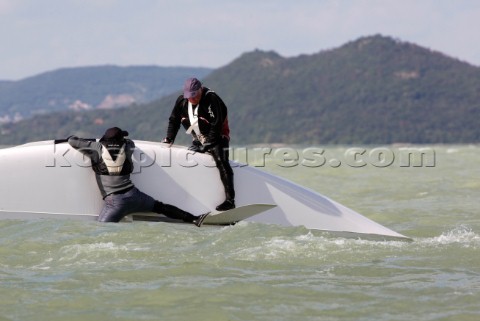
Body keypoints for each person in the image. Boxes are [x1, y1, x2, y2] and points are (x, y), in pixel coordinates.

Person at [68, 126, 209, 226]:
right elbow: (131, 142)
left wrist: (90, 140)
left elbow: (72, 141)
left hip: (114, 204)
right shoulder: (127, 147)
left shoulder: (96, 148)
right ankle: (194, 219)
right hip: (135, 196)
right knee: (161, 208)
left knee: (102, 232)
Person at [162, 78, 235, 211]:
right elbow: (174, 120)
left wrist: (208, 144)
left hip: (218, 136)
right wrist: (169, 138)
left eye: (194, 96)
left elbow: (216, 124)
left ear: (200, 89)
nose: (192, 99)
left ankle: (230, 201)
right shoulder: (181, 101)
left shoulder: (211, 99)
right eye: (189, 97)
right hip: (199, 137)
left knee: (222, 161)